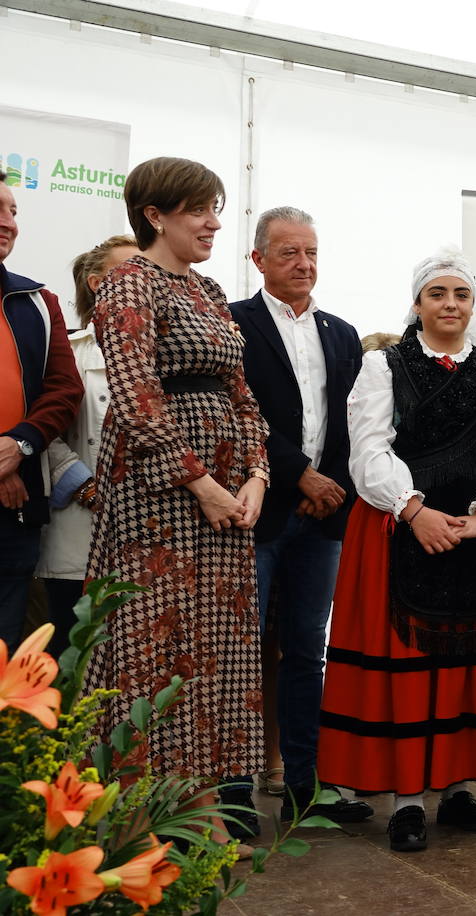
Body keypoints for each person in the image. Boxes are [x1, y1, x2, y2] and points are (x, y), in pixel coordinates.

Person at [315, 246, 476, 854]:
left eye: (460, 294)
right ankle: (406, 801)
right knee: (409, 665)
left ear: (472, 303)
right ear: (417, 304)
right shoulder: (384, 367)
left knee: (463, 661)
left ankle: (456, 788)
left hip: (474, 538)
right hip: (397, 530)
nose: (450, 304)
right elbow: (368, 448)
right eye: (437, 294)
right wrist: (414, 511)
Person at [84, 157, 269, 841]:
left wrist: (254, 478)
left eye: (216, 208)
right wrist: (202, 483)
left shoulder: (213, 290)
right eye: (198, 209)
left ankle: (197, 807)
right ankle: (135, 817)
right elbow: (136, 398)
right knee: (151, 649)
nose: (213, 222)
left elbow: (244, 398)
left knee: (215, 651)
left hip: (227, 495)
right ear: (155, 215)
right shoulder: (127, 282)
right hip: (156, 497)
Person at [226, 206, 370, 835]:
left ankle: (304, 786)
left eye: (310, 252)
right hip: (255, 512)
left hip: (324, 515)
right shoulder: (232, 323)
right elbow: (239, 416)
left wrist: (327, 484)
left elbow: (354, 421)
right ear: (258, 259)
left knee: (308, 648)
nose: (304, 264)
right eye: (288, 253)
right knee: (242, 650)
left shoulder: (342, 333)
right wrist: (296, 475)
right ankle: (234, 791)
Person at [34, 236, 137, 657]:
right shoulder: (70, 354)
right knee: (74, 655)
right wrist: (84, 485)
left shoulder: (167, 354)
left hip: (145, 533)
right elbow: (43, 429)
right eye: (130, 271)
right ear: (97, 284)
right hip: (80, 527)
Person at [0, 181, 82, 650]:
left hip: (13, 514)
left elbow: (63, 389)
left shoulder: (37, 302)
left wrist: (19, 444)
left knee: (7, 654)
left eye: (14, 210)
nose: (8, 221)